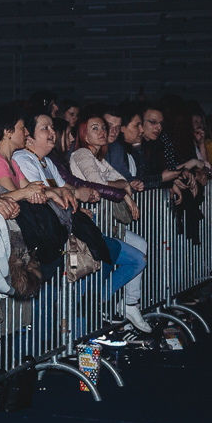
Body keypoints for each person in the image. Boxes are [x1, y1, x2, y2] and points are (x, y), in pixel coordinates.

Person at [66, 106, 154, 334]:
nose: (103, 132)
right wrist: (124, 191)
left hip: (103, 226)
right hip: (90, 227)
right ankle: (80, 333)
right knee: (88, 280)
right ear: (84, 134)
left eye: (103, 128)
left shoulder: (98, 158)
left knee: (137, 257)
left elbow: (120, 179)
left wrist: (124, 188)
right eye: (95, 128)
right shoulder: (83, 154)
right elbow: (99, 185)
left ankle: (106, 302)